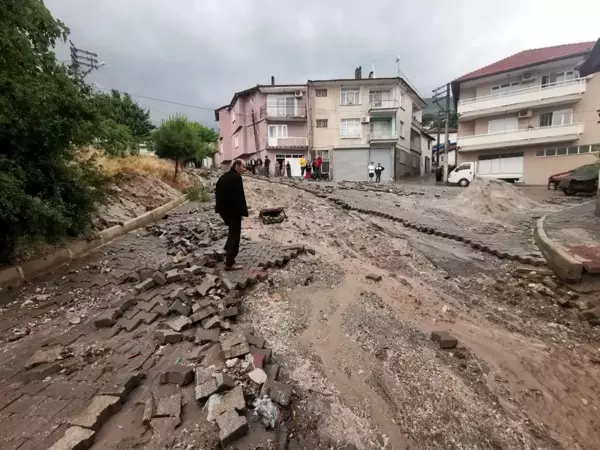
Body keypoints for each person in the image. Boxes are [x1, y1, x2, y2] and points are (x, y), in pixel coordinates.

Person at [215, 160, 248, 270]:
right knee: (235, 234)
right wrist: (242, 212)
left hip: (223, 210)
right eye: (244, 167)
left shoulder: (225, 176)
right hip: (232, 211)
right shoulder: (236, 178)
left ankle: (226, 250)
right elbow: (239, 197)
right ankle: (230, 263)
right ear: (237, 166)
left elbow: (217, 192)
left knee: (232, 231)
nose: (245, 169)